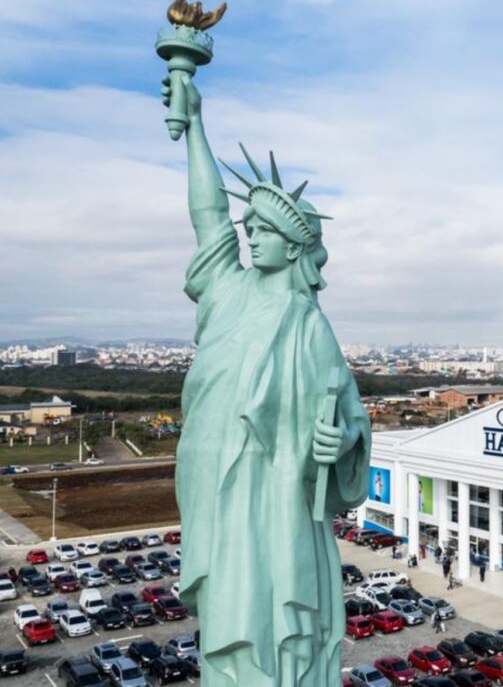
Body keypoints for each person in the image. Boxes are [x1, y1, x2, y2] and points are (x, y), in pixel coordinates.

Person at [162, 70, 371, 687]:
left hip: (275, 493)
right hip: (214, 482)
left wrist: (343, 441)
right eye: (249, 226)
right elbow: (208, 215)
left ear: (294, 245)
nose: (249, 234)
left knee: (268, 610)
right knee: (226, 610)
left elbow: (349, 416)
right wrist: (195, 124)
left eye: (262, 230)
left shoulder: (308, 325)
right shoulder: (226, 290)